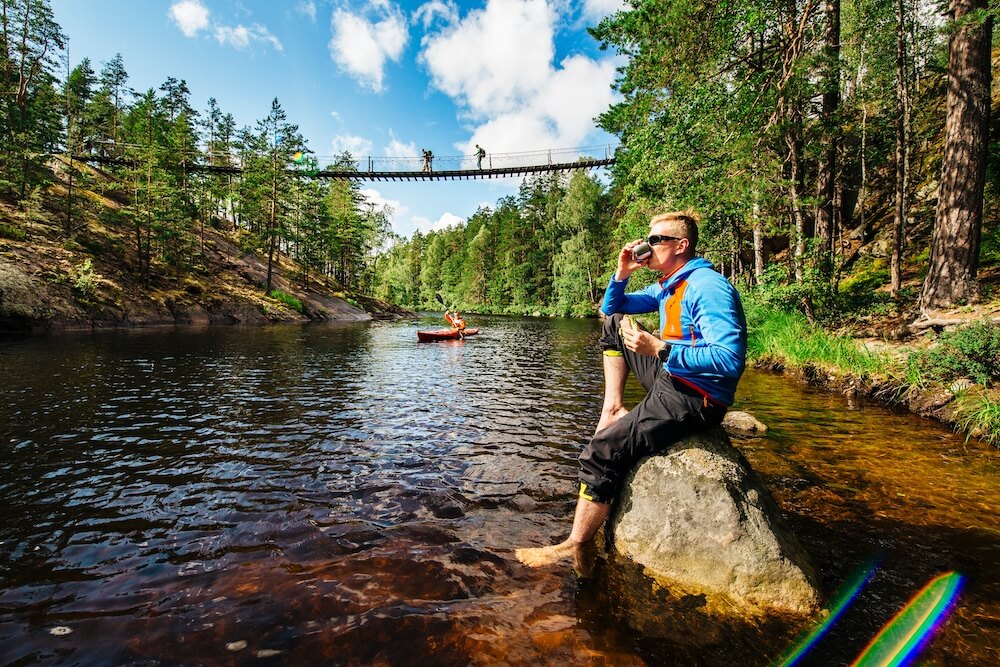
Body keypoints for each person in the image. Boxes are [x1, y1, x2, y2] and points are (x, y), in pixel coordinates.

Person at [514, 210, 747, 572]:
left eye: (656, 240)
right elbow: (611, 308)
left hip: (696, 396)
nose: (647, 246)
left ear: (681, 245)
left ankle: (575, 545)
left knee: (601, 454)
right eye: (647, 239)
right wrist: (622, 273)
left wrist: (660, 349)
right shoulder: (669, 283)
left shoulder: (706, 286)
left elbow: (729, 360)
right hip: (673, 376)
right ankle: (612, 408)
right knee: (614, 324)